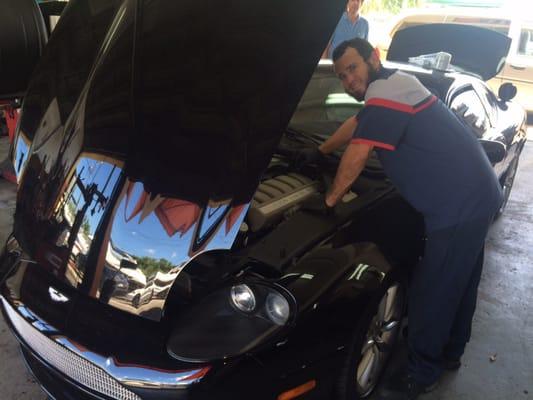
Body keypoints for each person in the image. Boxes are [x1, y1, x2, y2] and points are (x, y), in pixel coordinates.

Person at [297, 38, 503, 400]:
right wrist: (319, 150)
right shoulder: (394, 86)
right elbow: (356, 125)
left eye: (353, 68)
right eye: (342, 75)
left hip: (456, 207)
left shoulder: (386, 92)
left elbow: (360, 150)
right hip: (476, 196)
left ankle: (422, 374)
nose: (348, 80)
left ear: (373, 58)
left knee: (433, 292)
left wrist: (329, 202)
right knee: (462, 279)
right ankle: (452, 353)